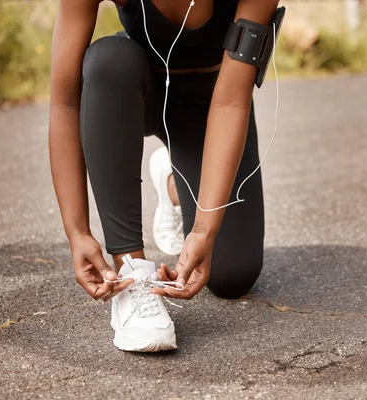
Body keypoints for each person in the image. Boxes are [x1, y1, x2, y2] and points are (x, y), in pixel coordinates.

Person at [49, 0, 279, 352]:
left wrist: (205, 227)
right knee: (109, 59)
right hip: (134, 93)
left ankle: (173, 187)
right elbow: (64, 101)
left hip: (212, 105)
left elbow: (232, 100)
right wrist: (77, 231)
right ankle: (131, 273)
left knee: (233, 275)